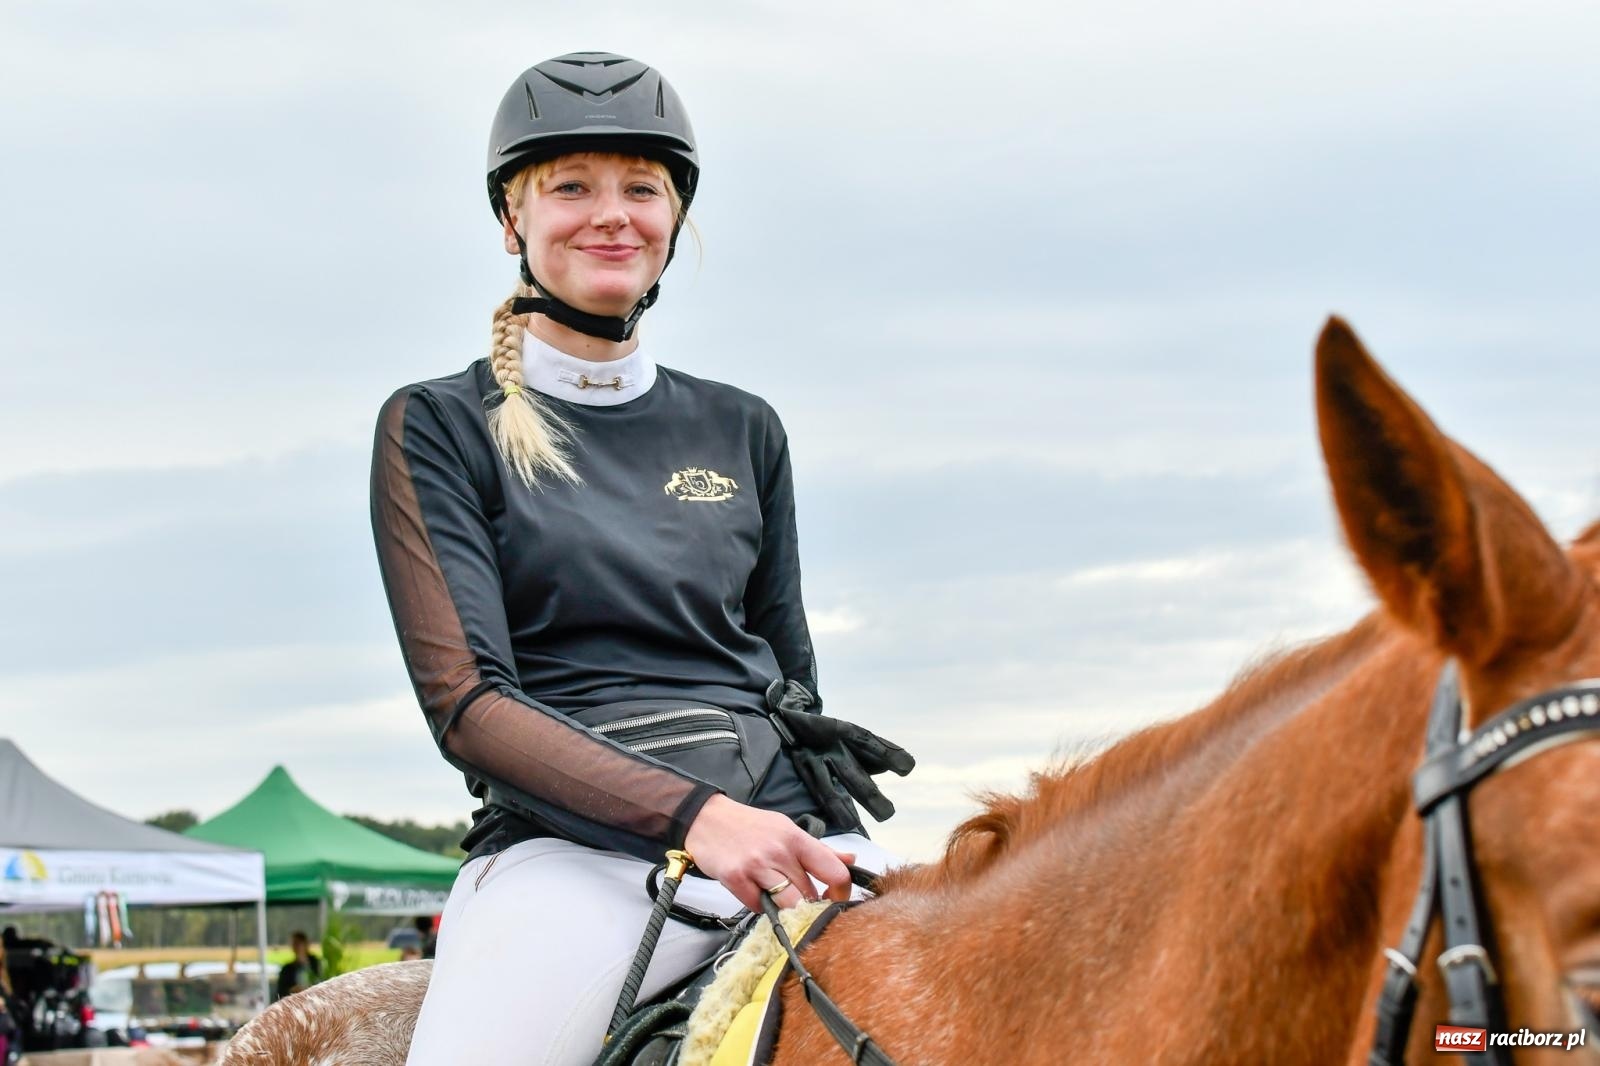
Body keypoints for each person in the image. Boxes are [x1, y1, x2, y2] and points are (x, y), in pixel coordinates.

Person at [370, 51, 914, 1065]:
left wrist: (779, 819)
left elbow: (792, 683)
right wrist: (697, 818)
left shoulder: (744, 428)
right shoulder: (438, 424)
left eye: (641, 189)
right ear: (512, 219)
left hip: (785, 830)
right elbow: (466, 704)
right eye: (572, 187)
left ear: (674, 216)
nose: (611, 215)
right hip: (573, 861)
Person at [274, 931, 322, 1000]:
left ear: (306, 944)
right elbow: (280, 992)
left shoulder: (317, 964)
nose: (296, 947)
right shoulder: (287, 969)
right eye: (294, 944)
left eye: (298, 943)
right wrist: (291, 990)